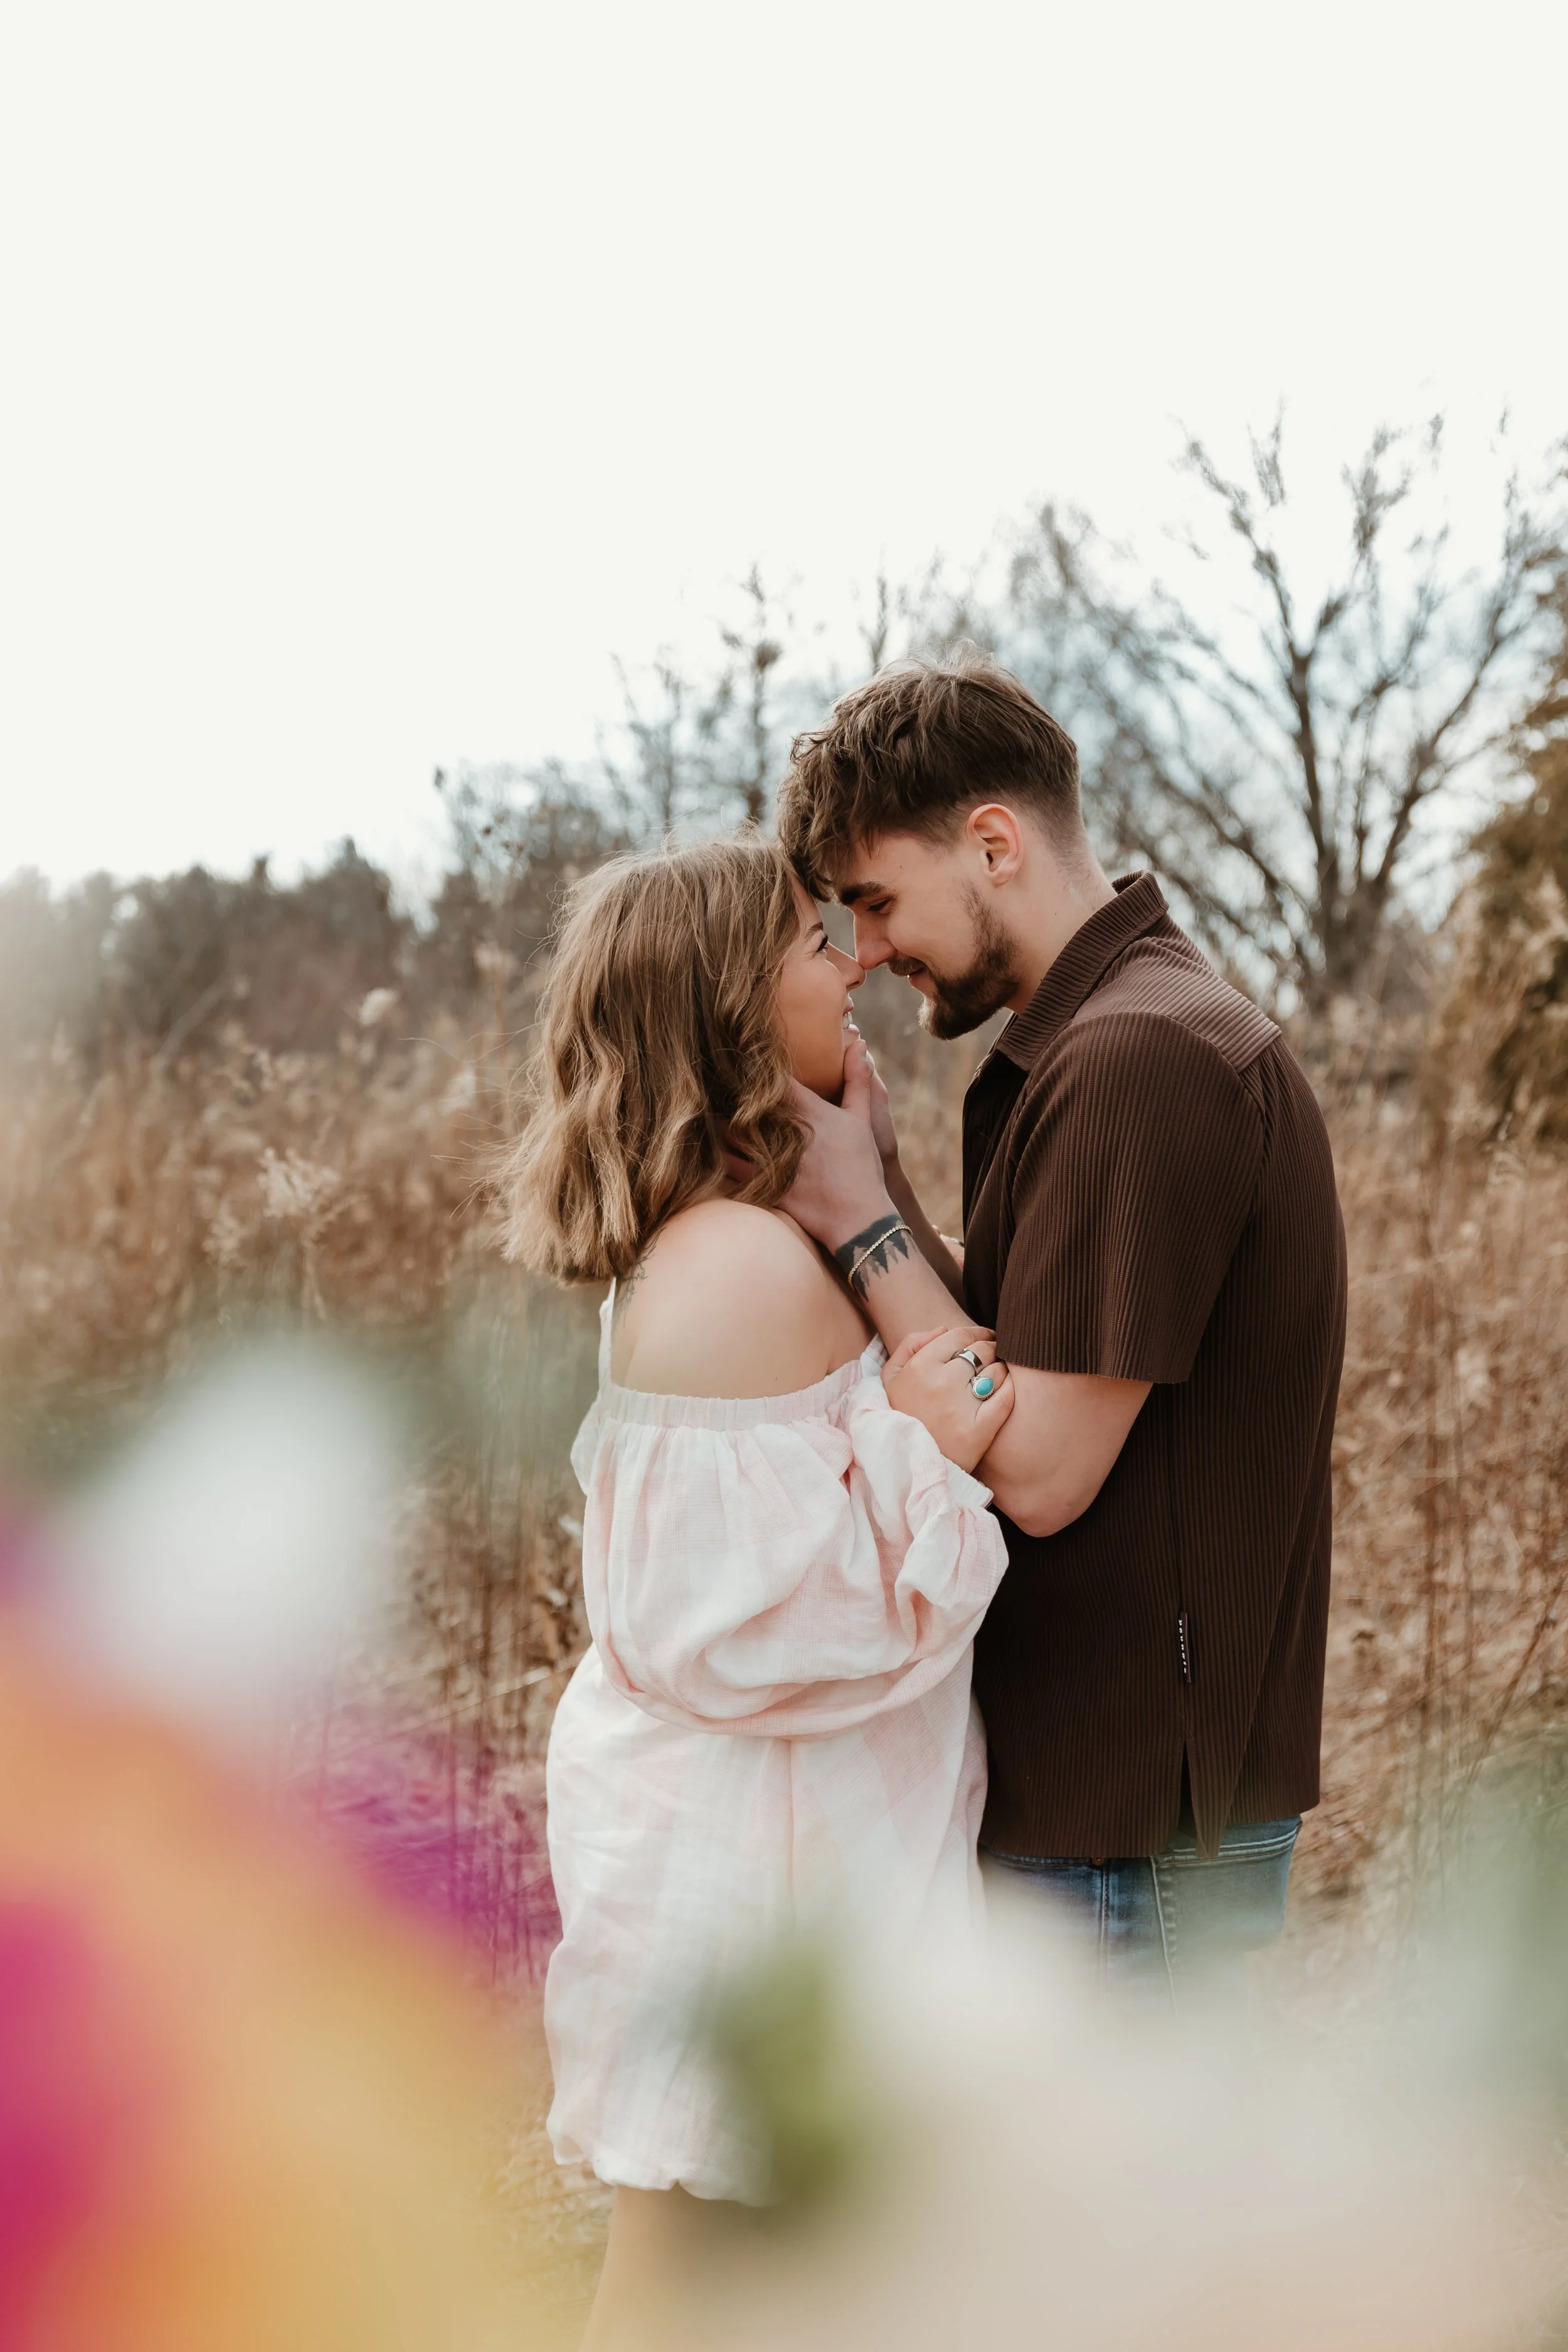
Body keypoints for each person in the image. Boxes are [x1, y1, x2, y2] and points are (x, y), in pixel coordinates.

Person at [775, 657, 1347, 1998]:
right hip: (1096, 1805)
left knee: (1133, 2214)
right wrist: (880, 1185)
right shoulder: (1093, 1038)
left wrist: (861, 1221)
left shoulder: (1141, 1058)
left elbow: (1036, 1468)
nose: (864, 950)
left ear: (991, 841)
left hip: (1127, 1820)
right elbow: (1018, 1331)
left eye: (875, 900)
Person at [506, 837, 1012, 2341]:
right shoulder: (735, 1267)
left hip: (765, 1845)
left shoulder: (741, 1244)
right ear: (730, 1004)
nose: (851, 956)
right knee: (679, 2284)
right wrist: (931, 1450)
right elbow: (751, 1636)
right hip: (742, 1871)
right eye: (811, 942)